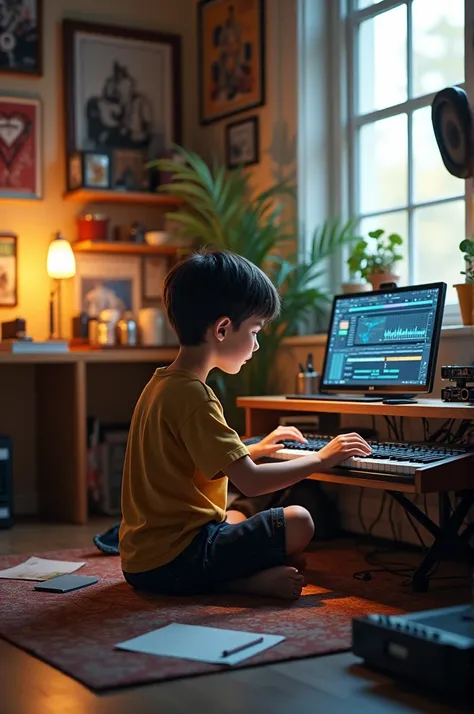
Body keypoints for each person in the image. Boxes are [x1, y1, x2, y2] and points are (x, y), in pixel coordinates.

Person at [119, 249, 371, 600]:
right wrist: (323, 458)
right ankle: (238, 581)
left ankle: (236, 571)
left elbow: (191, 462)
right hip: (178, 559)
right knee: (299, 520)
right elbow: (251, 482)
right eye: (254, 331)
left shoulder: (162, 384)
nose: (256, 343)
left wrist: (254, 449)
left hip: (141, 561)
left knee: (236, 516)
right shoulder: (197, 397)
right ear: (223, 329)